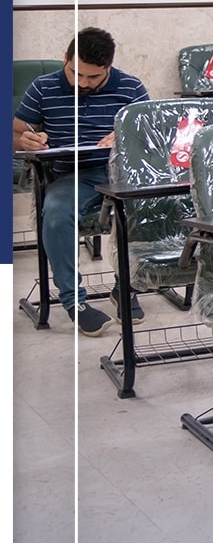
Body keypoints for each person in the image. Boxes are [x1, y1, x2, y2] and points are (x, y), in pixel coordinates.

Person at [12, 29, 150, 335]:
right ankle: (74, 300)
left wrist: (125, 136)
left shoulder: (130, 87)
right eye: (76, 73)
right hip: (71, 174)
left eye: (93, 77)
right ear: (66, 59)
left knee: (149, 207)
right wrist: (25, 141)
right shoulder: (43, 87)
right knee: (57, 212)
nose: (83, 83)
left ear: (109, 67)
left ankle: (125, 286)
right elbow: (16, 133)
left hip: (121, 172)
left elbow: (152, 138)